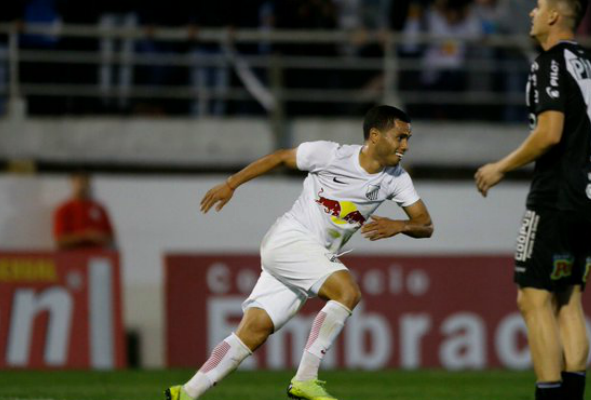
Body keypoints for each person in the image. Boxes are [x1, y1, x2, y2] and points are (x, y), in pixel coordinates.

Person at [165, 105, 433, 400]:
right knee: (347, 292)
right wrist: (231, 184)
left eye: (408, 138)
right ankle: (305, 378)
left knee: (254, 330)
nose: (405, 146)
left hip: (307, 256)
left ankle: (187, 392)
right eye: (400, 137)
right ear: (374, 135)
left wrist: (399, 225)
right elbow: (281, 157)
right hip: (290, 240)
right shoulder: (331, 154)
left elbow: (425, 225)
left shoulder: (396, 179)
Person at [474, 1, 591, 400]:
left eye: (538, 6)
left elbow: (550, 132)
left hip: (555, 199)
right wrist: (583, 172)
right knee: (568, 300)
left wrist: (501, 166)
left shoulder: (549, 63)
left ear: (555, 15)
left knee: (533, 299)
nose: (532, 11)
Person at [53, 173, 116, 250]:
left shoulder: (100, 209)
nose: (82, 186)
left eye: (85, 182)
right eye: (79, 182)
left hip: (97, 257)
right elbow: (60, 241)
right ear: (72, 183)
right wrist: (85, 236)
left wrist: (97, 237)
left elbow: (111, 239)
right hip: (72, 258)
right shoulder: (64, 209)